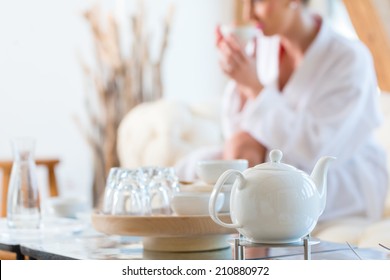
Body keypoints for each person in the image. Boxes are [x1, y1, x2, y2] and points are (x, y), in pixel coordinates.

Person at [175, 0, 388, 222]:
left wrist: (255, 88)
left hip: (338, 178)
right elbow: (236, 130)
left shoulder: (349, 58)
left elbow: (316, 148)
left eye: (257, 2)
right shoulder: (263, 45)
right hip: (269, 162)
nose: (249, 14)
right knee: (193, 168)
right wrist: (239, 77)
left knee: (234, 172)